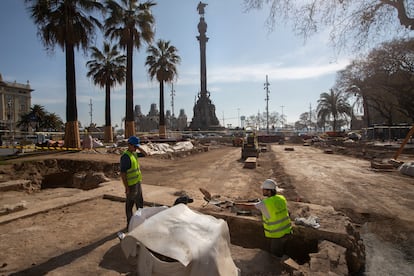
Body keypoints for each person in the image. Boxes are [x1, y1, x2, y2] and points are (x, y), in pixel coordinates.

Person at [240, 179, 292, 257]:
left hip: (277, 235)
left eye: (264, 190)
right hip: (288, 231)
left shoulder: (266, 203)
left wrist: (235, 204)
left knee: (275, 256)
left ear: (269, 191)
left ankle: (278, 267)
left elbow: (248, 206)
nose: (262, 191)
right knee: (282, 250)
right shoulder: (281, 198)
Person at [120, 136, 146, 230]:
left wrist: (138, 147)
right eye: (134, 146)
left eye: (136, 147)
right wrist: (126, 187)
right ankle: (130, 225)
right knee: (129, 206)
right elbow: (123, 174)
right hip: (131, 185)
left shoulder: (134, 154)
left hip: (137, 183)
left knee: (140, 204)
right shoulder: (125, 157)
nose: (135, 148)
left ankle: (140, 223)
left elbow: (147, 154)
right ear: (129, 145)